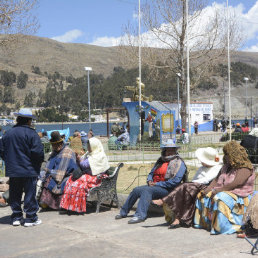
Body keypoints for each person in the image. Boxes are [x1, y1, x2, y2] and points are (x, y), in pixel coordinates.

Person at [115, 139, 187, 224]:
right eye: (168, 150)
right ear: (165, 150)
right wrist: (149, 180)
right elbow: (151, 173)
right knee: (136, 190)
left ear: (175, 151)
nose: (169, 152)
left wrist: (157, 184)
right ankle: (123, 212)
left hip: (168, 189)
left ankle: (140, 216)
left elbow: (175, 181)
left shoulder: (179, 163)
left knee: (147, 190)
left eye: (172, 150)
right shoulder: (160, 160)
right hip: (155, 186)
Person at [194, 141, 255, 235]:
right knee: (202, 195)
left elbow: (236, 183)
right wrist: (209, 188)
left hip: (240, 194)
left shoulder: (245, 168)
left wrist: (218, 190)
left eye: (227, 154)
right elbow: (216, 180)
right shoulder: (226, 167)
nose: (225, 156)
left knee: (220, 197)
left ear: (233, 155)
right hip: (225, 190)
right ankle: (206, 224)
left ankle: (223, 227)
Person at [152, 147, 222, 228]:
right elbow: (195, 179)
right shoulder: (202, 168)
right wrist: (191, 184)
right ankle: (177, 219)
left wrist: (191, 184)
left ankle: (163, 201)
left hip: (207, 187)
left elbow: (206, 180)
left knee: (185, 187)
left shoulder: (216, 168)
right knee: (184, 190)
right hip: (195, 185)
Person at [0, 108, 44, 226]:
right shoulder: (31, 134)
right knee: (29, 194)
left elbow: (2, 151)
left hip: (13, 170)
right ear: (29, 121)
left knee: (15, 194)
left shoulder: (8, 134)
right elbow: (38, 153)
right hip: (29, 170)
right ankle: (30, 218)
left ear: (18, 119)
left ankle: (16, 217)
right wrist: (37, 164)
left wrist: (10, 161)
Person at [60, 137, 110, 213]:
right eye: (88, 145)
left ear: (94, 146)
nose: (88, 147)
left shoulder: (99, 155)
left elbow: (84, 164)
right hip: (90, 176)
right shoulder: (90, 154)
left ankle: (77, 206)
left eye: (90, 145)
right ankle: (69, 205)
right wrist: (80, 159)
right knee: (71, 180)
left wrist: (79, 159)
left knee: (78, 184)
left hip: (98, 178)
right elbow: (83, 162)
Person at [39, 131, 78, 210]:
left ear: (61, 143)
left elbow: (61, 172)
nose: (55, 146)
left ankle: (52, 204)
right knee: (42, 176)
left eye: (56, 144)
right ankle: (45, 201)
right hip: (56, 172)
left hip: (67, 175)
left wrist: (50, 172)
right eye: (53, 145)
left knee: (50, 181)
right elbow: (49, 163)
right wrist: (46, 171)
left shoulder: (67, 152)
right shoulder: (55, 152)